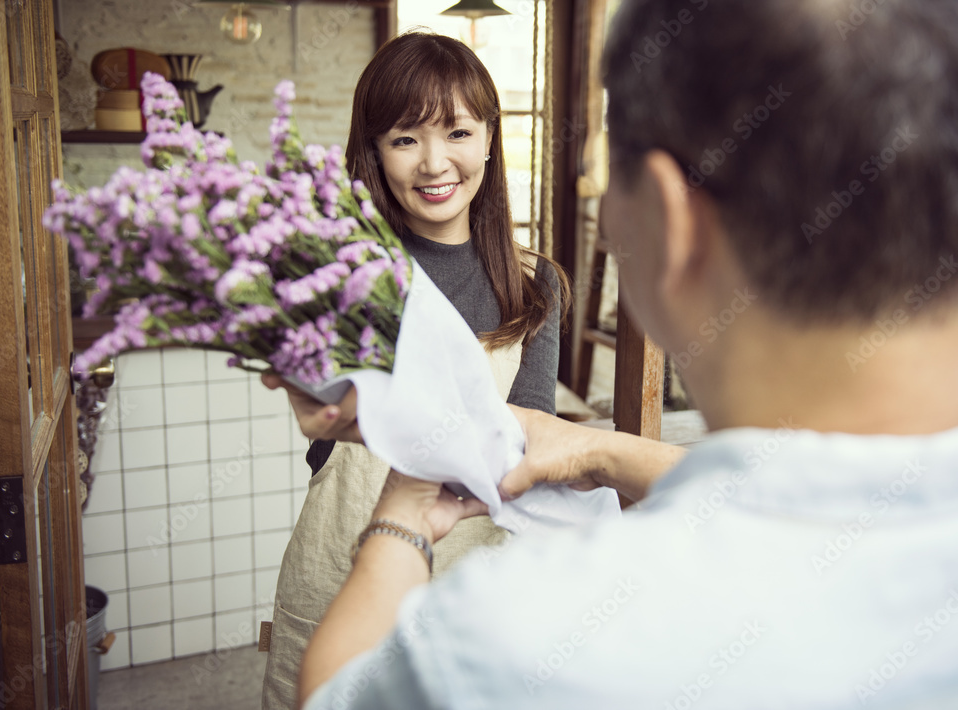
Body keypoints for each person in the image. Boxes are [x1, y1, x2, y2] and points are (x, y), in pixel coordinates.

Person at [285, 0, 958, 707]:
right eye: (404, 138)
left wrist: (401, 515)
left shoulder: (504, 641)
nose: (433, 160)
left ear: (668, 226)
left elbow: (336, 697)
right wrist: (599, 453)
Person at [259, 31, 570, 708]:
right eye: (404, 138)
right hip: (343, 566)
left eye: (457, 131)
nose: (435, 162)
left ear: (490, 137)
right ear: (373, 151)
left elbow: (535, 443)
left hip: (479, 576)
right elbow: (322, 425)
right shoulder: (337, 270)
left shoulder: (535, 283)